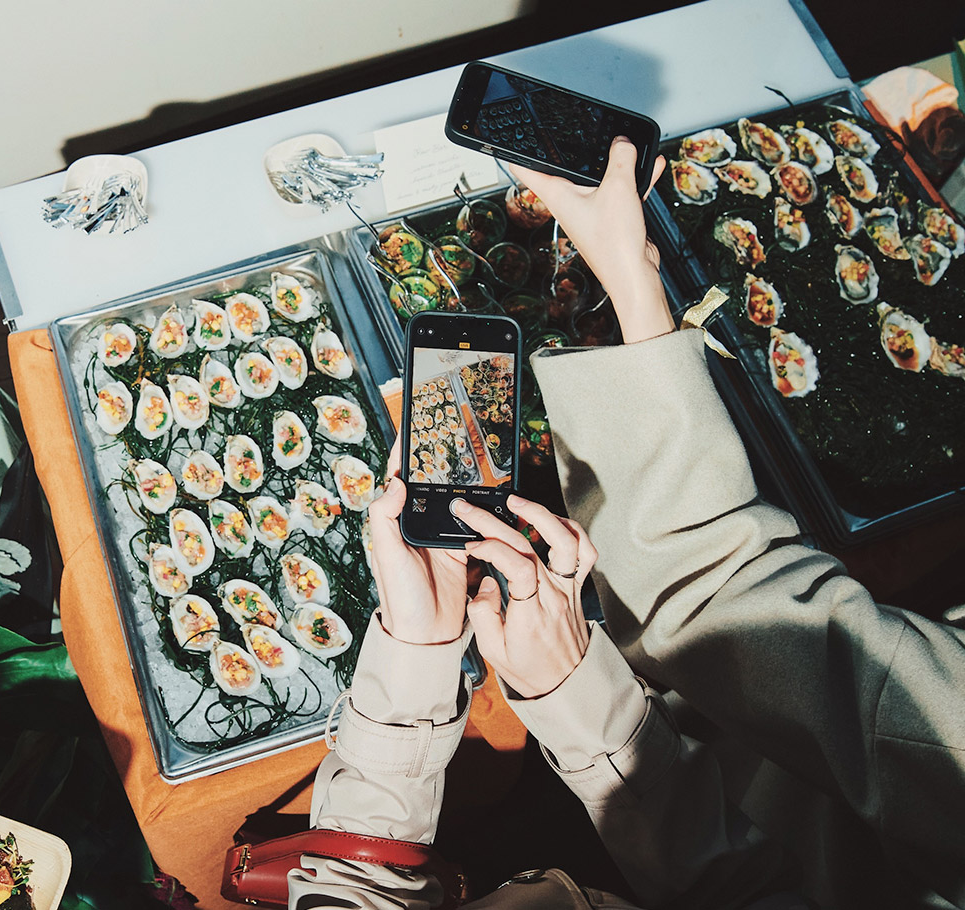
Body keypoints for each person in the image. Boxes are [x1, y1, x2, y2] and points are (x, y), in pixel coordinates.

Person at [288, 137, 965, 909]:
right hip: (669, 795)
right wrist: (573, 695)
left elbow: (730, 600)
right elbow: (740, 889)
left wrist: (418, 657)